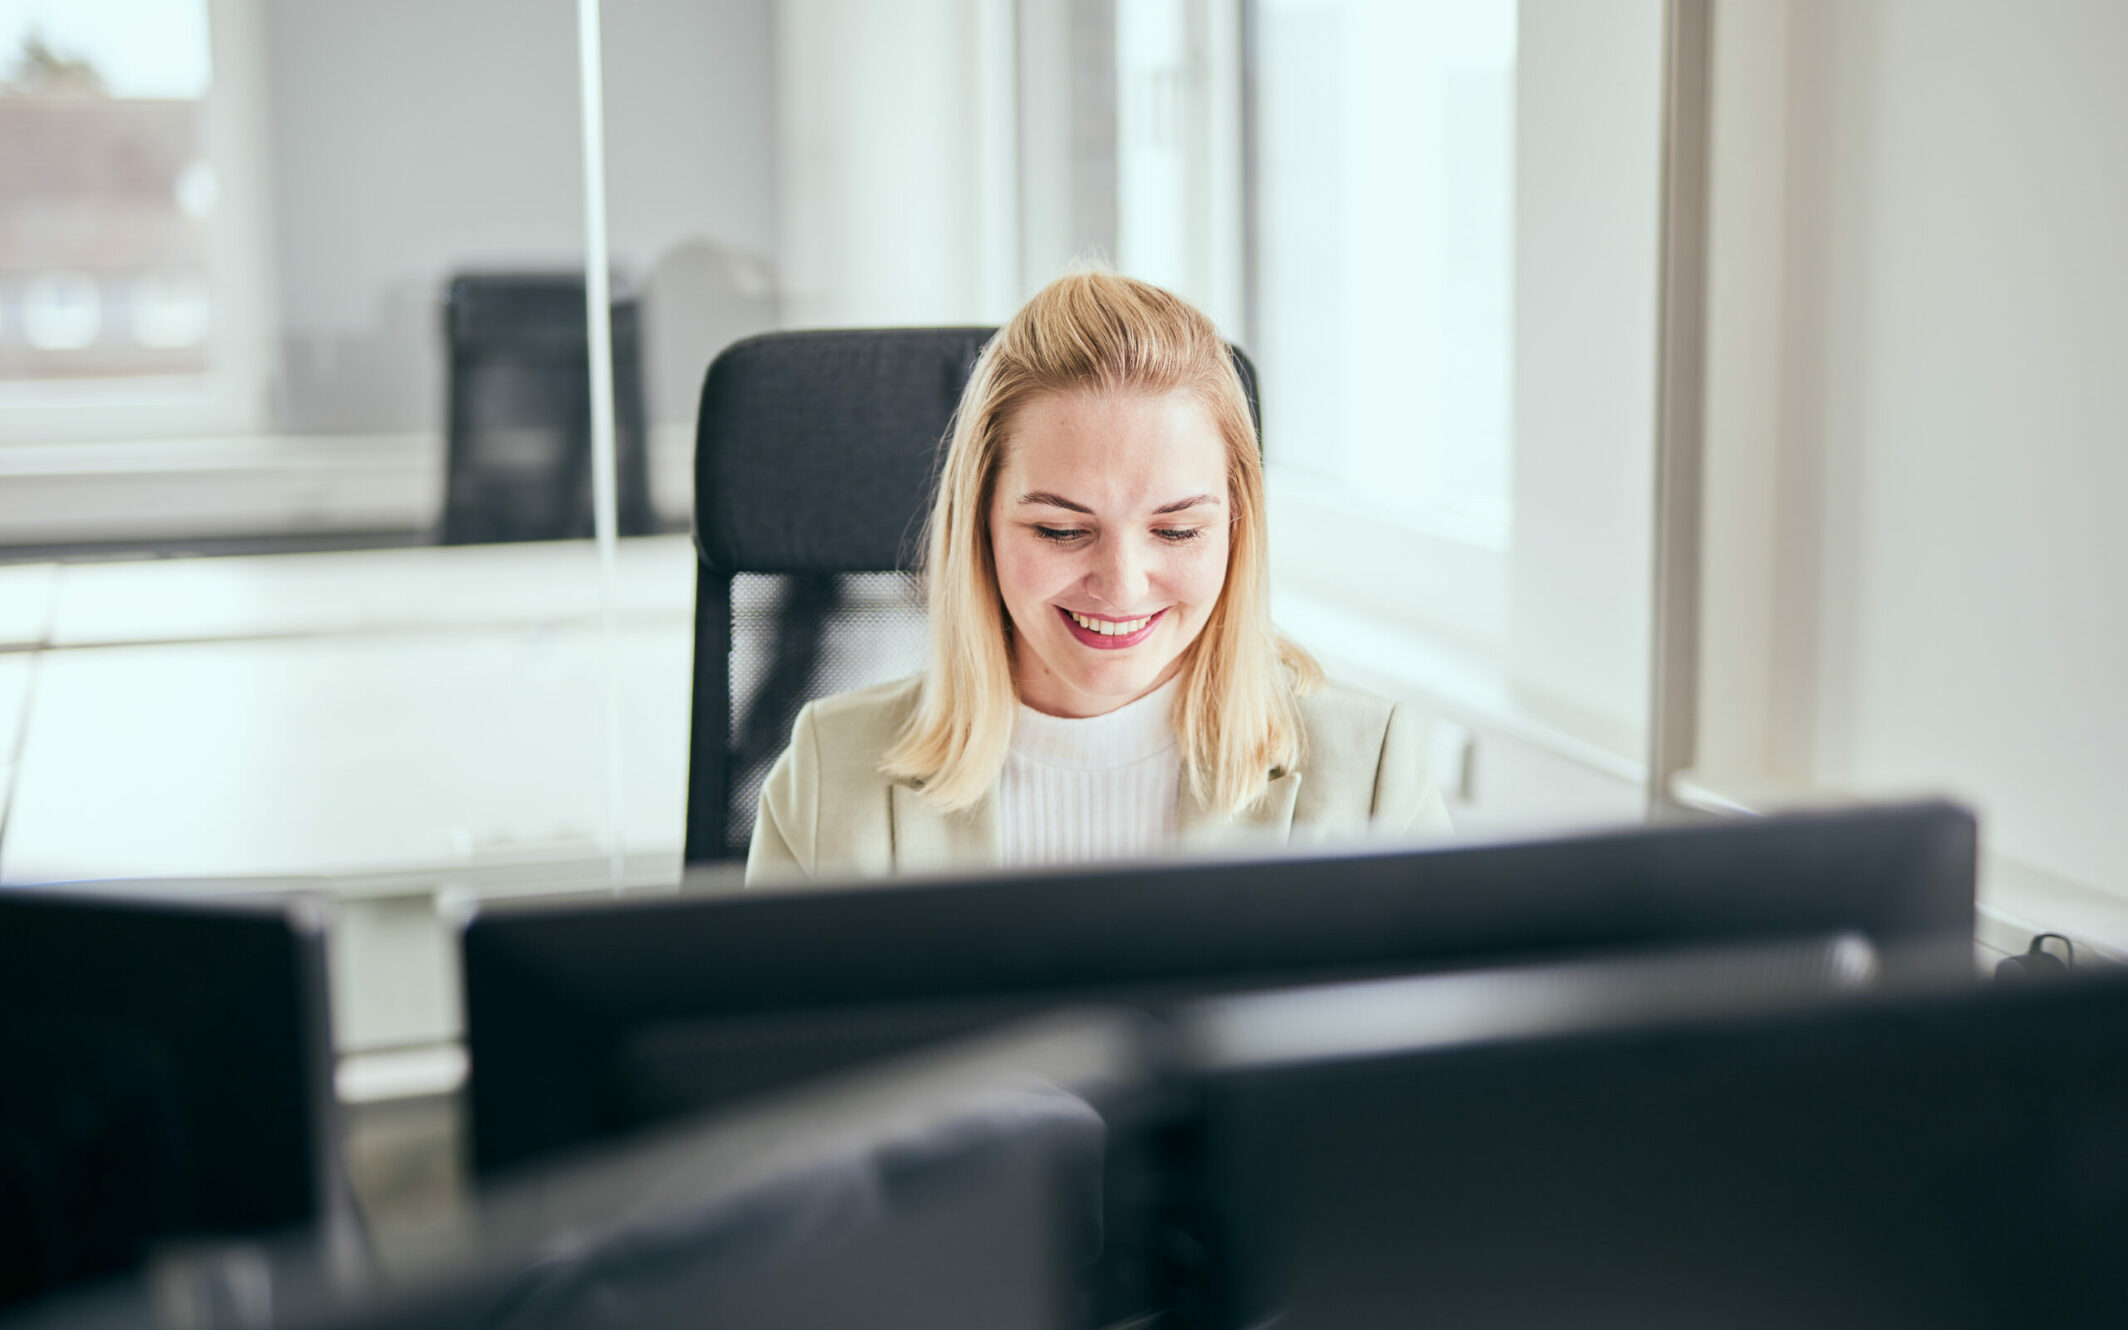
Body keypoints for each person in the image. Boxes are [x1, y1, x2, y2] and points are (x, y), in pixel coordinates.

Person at [746, 270, 1448, 884]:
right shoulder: (828, 773)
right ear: (981, 525)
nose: (1121, 585)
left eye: (1176, 531)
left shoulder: (1370, 777)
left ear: (1237, 530)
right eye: (1061, 530)